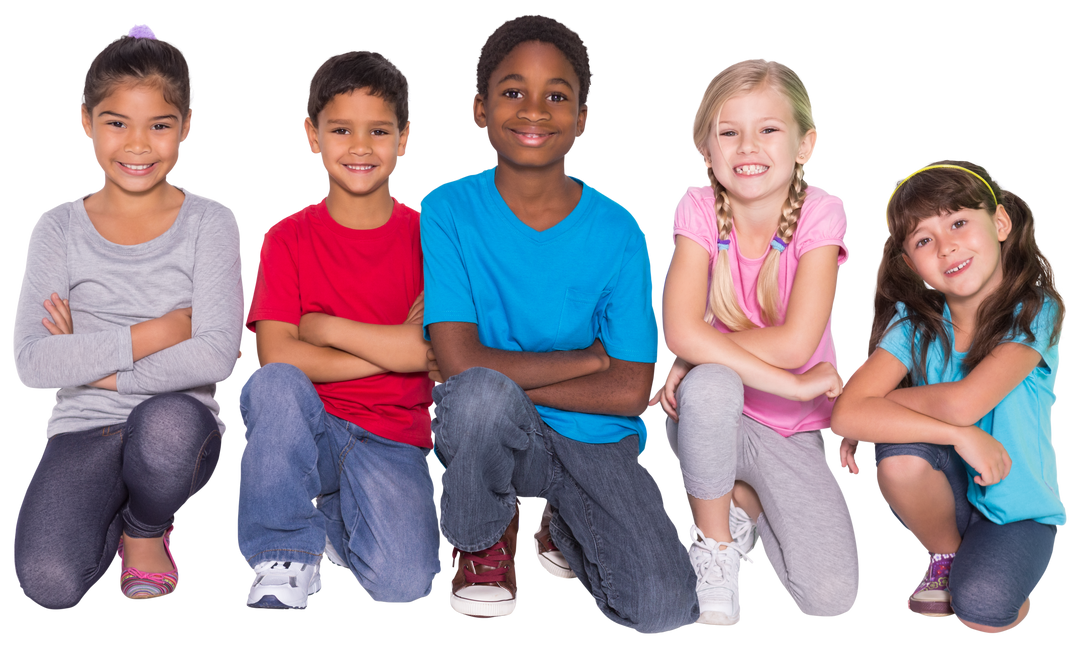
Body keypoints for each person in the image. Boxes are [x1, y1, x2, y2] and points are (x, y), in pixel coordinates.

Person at [420, 12, 698, 636]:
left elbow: (630, 390)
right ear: (478, 109)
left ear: (583, 119)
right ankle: (482, 540)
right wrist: (589, 359)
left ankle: (563, 524)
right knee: (480, 402)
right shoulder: (445, 209)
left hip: (593, 434)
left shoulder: (621, 229)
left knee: (661, 610)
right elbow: (463, 366)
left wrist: (495, 372)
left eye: (557, 96)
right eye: (512, 91)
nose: (534, 110)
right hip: (488, 435)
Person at [11, 21, 244, 610]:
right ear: (86, 120)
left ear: (186, 127)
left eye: (159, 125)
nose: (138, 146)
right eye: (117, 123)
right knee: (49, 583)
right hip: (84, 426)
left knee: (165, 426)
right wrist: (163, 330)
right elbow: (33, 361)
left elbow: (216, 355)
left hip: (178, 429)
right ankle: (103, 512)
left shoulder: (211, 223)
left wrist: (88, 357)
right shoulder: (57, 227)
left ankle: (144, 527)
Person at [654, 56, 861, 627]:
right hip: (709, 414)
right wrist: (790, 383)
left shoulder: (822, 211)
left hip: (789, 431)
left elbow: (798, 341)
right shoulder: (697, 207)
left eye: (768, 129)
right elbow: (679, 329)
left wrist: (695, 352)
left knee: (830, 599)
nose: (748, 147)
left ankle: (740, 501)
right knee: (713, 386)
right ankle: (715, 543)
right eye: (729, 132)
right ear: (706, 149)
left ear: (805, 144)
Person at [236, 47, 441, 612]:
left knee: (404, 585)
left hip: (394, 435)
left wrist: (324, 327)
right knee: (274, 386)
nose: (359, 147)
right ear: (312, 135)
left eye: (378, 131)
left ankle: (328, 515)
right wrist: (391, 351)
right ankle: (284, 551)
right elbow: (276, 354)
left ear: (404, 138)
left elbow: (427, 350)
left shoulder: (430, 238)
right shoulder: (286, 236)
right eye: (342, 130)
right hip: (308, 426)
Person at [831, 159, 1067, 635]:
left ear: (1000, 223)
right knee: (900, 459)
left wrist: (884, 402)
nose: (947, 245)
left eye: (959, 222)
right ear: (910, 264)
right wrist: (955, 436)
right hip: (945, 495)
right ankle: (947, 556)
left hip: (1016, 511)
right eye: (924, 240)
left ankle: (985, 575)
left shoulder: (1034, 309)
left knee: (982, 613)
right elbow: (845, 414)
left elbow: (963, 403)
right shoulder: (912, 325)